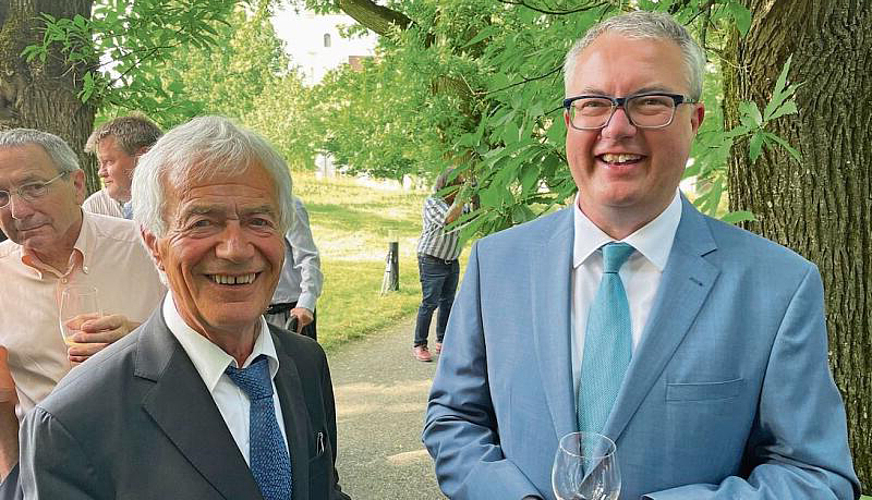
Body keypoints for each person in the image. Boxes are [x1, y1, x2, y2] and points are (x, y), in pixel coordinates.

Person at [423, 11, 859, 500]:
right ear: (568, 120)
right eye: (592, 104)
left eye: (650, 102)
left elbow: (813, 474)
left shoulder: (779, 286)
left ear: (694, 120)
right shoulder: (495, 265)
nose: (617, 128)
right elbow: (454, 419)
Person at [19, 116, 351, 500]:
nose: (236, 249)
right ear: (153, 244)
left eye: (258, 221)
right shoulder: (74, 421)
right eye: (202, 223)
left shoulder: (304, 362)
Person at [0, 129, 165, 481]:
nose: (17, 210)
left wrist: (142, 341)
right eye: (0, 196)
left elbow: (215, 348)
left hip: (151, 464)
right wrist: (12, 479)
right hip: (48, 472)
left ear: (77, 185)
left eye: (33, 187)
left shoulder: (149, 250)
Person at [411, 169, 471, 362]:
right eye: (459, 184)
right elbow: (449, 219)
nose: (462, 187)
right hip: (431, 259)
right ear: (448, 185)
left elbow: (475, 215)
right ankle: (419, 344)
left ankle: (443, 341)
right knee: (430, 302)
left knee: (448, 302)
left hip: (451, 260)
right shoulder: (432, 202)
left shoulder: (462, 205)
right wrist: (464, 195)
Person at [264, 196, 324, 340]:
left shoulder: (288, 205)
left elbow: (308, 256)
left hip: (292, 314)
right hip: (256, 312)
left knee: (298, 362)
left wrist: (306, 302)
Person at [82, 114, 162, 219]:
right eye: (99, 163)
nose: (101, 172)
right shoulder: (96, 208)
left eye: (108, 161)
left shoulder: (178, 201)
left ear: (143, 157)